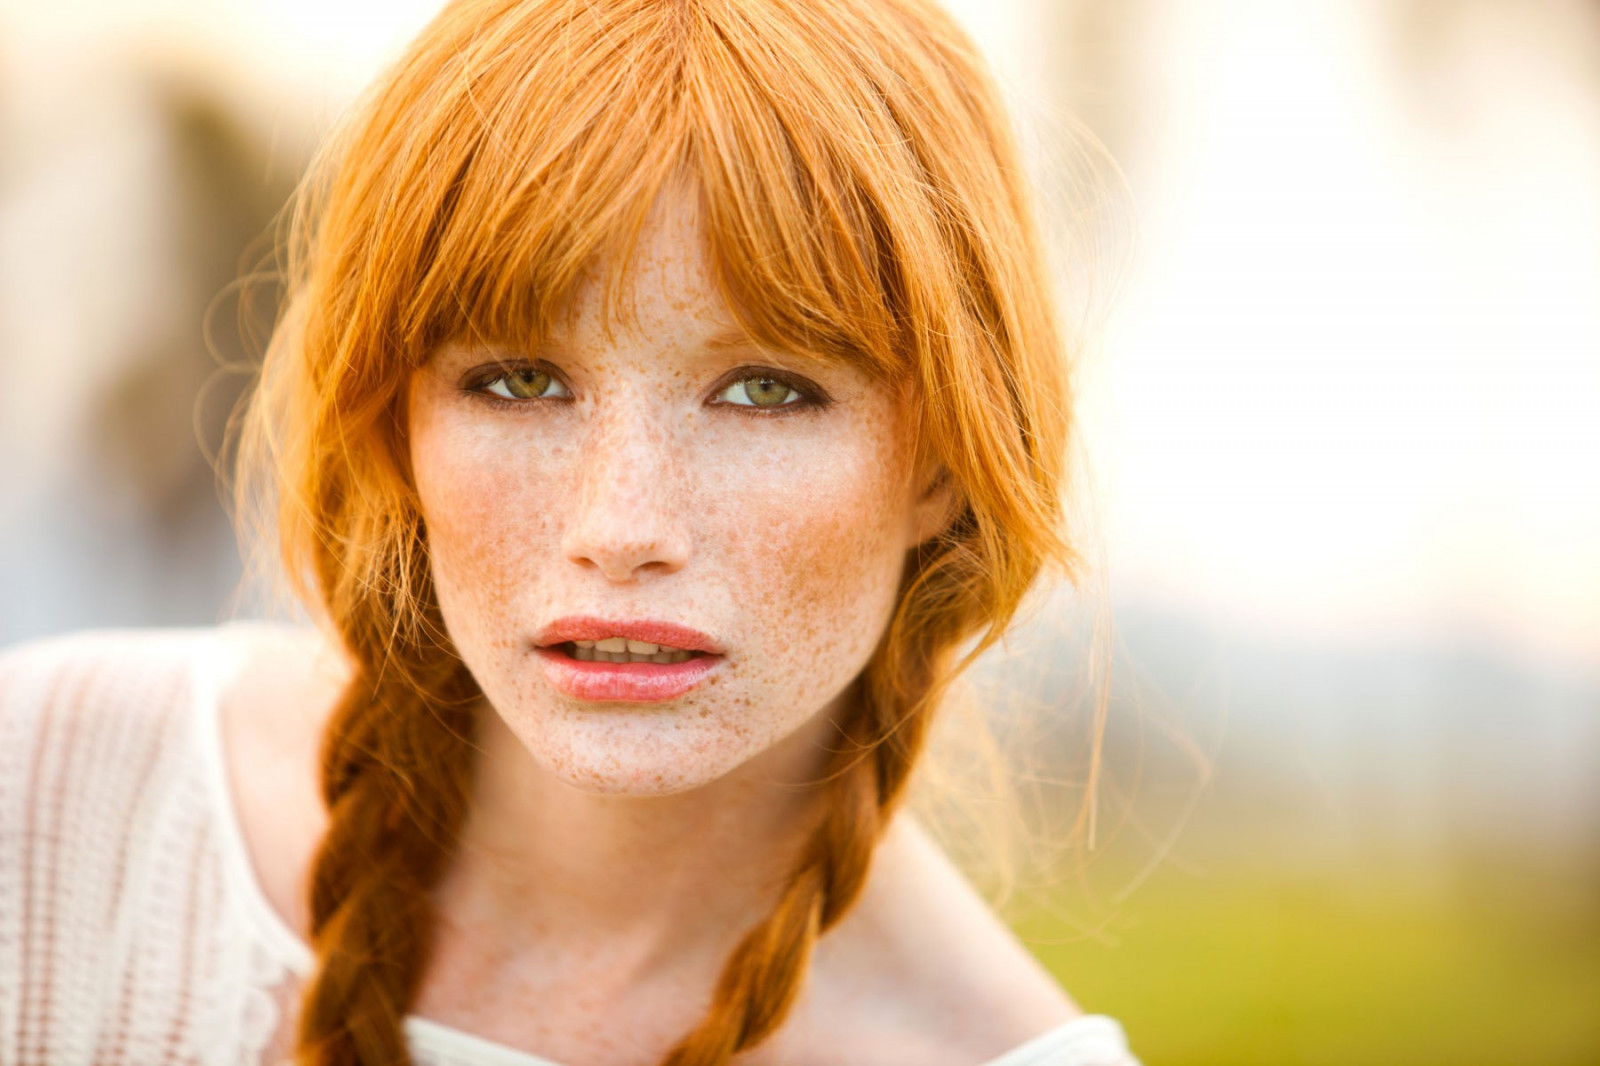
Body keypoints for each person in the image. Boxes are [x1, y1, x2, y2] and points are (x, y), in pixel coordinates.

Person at [0, 0, 1142, 1063]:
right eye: (516, 380)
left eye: (763, 391)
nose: (622, 526)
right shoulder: (50, 798)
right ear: (395, 422)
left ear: (945, 460)